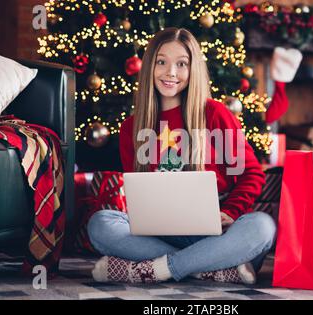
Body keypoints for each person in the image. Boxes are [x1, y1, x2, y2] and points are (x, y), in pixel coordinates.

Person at [87, 27, 276, 284]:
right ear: (150, 66)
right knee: (101, 224)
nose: (171, 73)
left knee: (262, 227)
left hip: (216, 235)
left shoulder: (214, 114)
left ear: (192, 70)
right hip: (162, 234)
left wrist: (231, 212)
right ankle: (210, 269)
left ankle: (155, 269)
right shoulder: (131, 127)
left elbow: (251, 173)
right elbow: (139, 192)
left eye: (182, 64)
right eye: (161, 62)